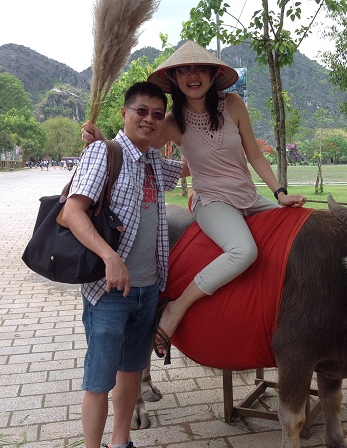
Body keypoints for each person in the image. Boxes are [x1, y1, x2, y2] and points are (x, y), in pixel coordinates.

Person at [82, 40, 306, 365]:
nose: (192, 75)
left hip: (249, 197)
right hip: (212, 201)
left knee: (297, 231)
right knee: (244, 251)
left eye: (199, 68)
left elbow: (255, 155)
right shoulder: (172, 122)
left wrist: (280, 193)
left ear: (213, 74)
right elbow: (135, 142)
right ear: (175, 80)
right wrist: (101, 141)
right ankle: (177, 307)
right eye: (183, 70)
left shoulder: (233, 104)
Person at [64, 81, 185, 448]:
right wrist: (110, 257)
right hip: (110, 289)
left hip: (148, 289)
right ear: (125, 114)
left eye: (157, 115)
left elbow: (192, 164)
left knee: (131, 371)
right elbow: (72, 212)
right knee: (99, 379)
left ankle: (120, 442)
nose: (149, 120)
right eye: (141, 112)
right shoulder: (103, 154)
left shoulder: (153, 161)